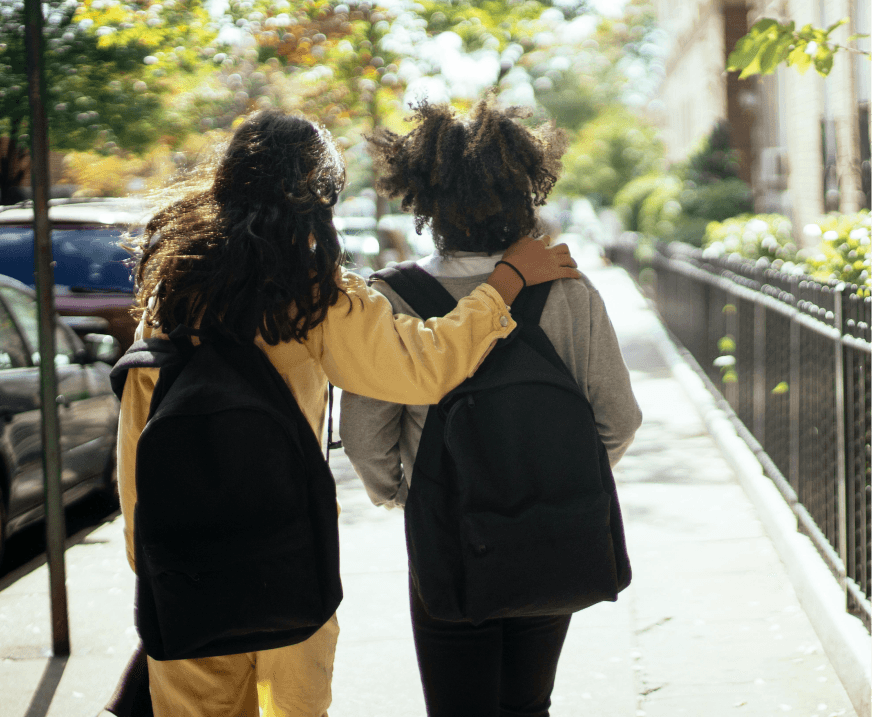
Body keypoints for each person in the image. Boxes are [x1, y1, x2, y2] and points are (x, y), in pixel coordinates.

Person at [117, 108, 579, 717]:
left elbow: (137, 434)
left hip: (181, 560)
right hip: (284, 554)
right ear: (317, 193)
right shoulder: (307, 294)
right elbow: (424, 365)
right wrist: (507, 283)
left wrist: (147, 559)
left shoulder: (172, 282)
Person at [339, 99, 642, 717]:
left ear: (425, 201)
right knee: (529, 705)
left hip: (447, 533)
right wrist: (561, 475)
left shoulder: (394, 297)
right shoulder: (569, 290)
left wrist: (404, 493)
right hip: (551, 525)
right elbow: (619, 418)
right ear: (525, 192)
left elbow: (367, 434)